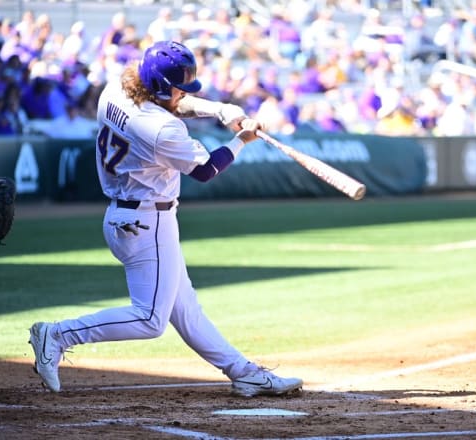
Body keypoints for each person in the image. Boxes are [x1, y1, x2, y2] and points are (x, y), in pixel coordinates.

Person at [28, 40, 303, 397]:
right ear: (161, 86)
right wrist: (240, 140)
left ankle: (244, 372)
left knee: (186, 310)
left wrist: (220, 110)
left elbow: (172, 100)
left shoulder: (115, 89)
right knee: (150, 319)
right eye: (179, 85)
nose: (183, 92)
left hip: (131, 215)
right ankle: (59, 335)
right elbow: (205, 170)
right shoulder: (161, 129)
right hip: (146, 223)